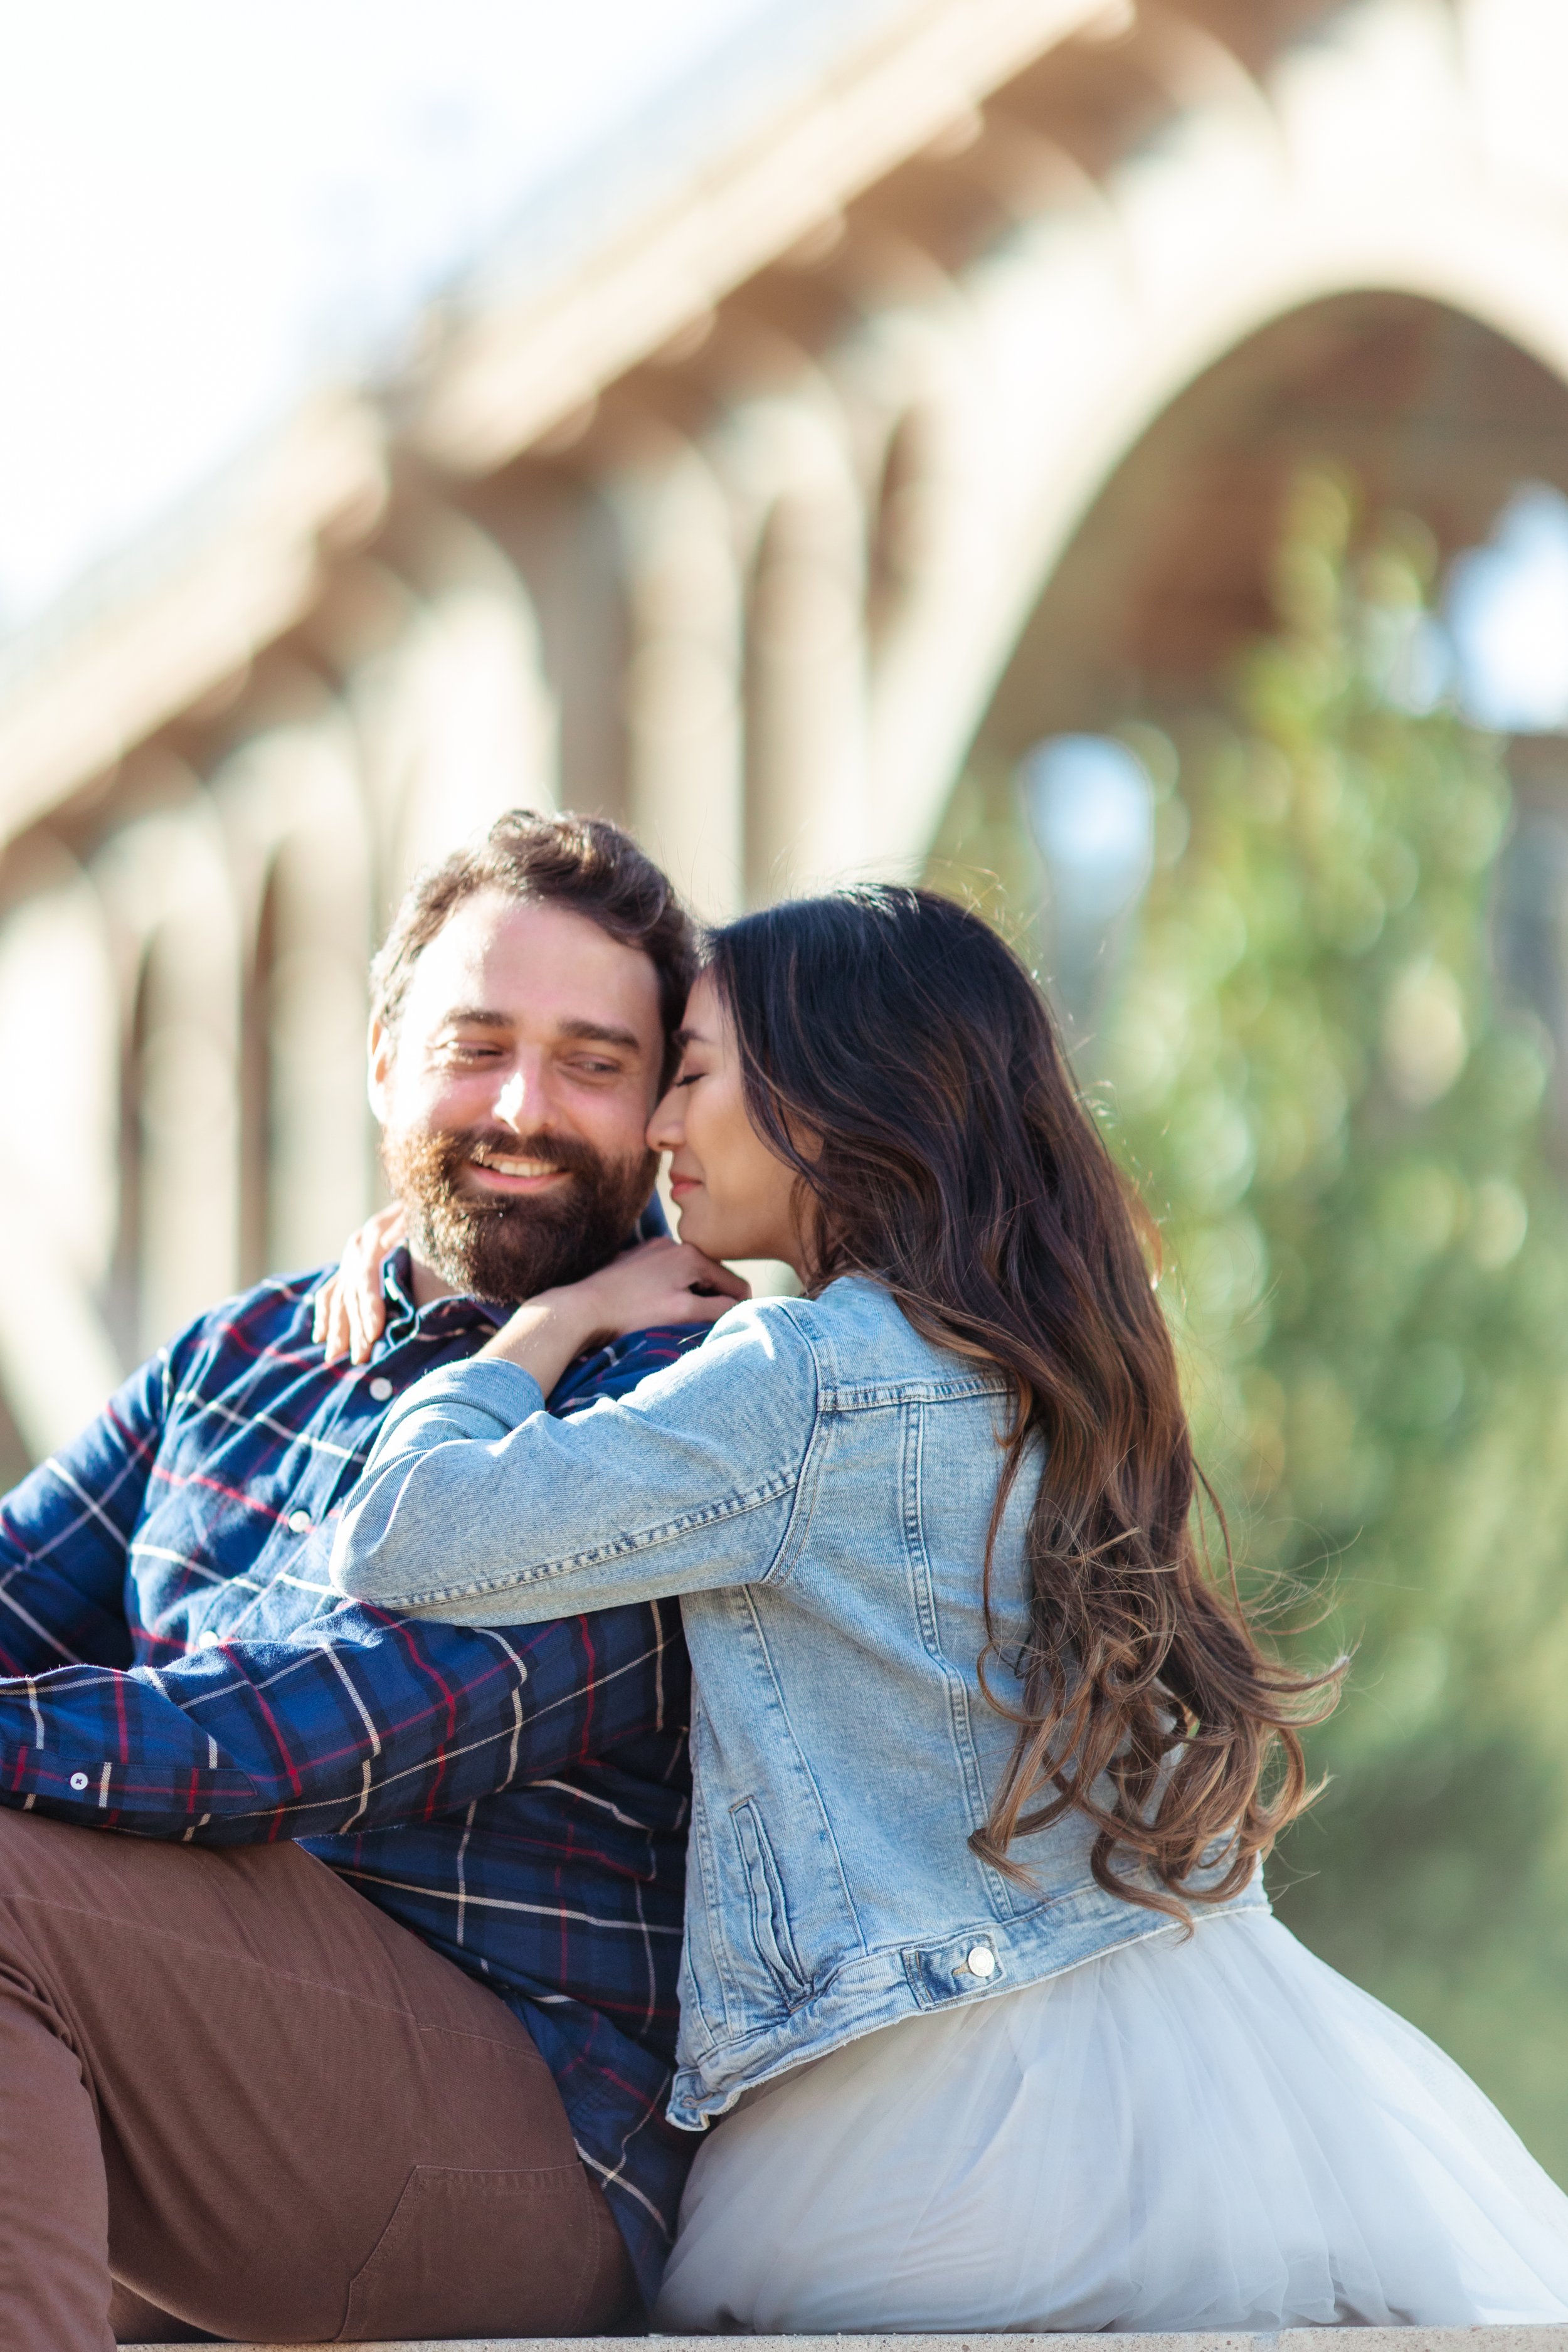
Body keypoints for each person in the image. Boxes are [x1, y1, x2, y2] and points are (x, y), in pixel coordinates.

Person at [332, 883, 1568, 2334]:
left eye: (694, 1075)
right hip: (1195, 2062)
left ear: (828, 1092)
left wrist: (544, 1327)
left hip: (929, 2118)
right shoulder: (1047, 1354)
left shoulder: (792, 1383)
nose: (662, 1126)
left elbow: (401, 1537)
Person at [0, 809, 748, 2352]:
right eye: (474, 1045)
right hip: (194, 2053)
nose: (522, 1108)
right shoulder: (247, 1352)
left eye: (592, 1064)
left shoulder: (682, 1410)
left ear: (658, 1110)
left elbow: (312, 1734)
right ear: (381, 1062)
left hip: (520, 2147)